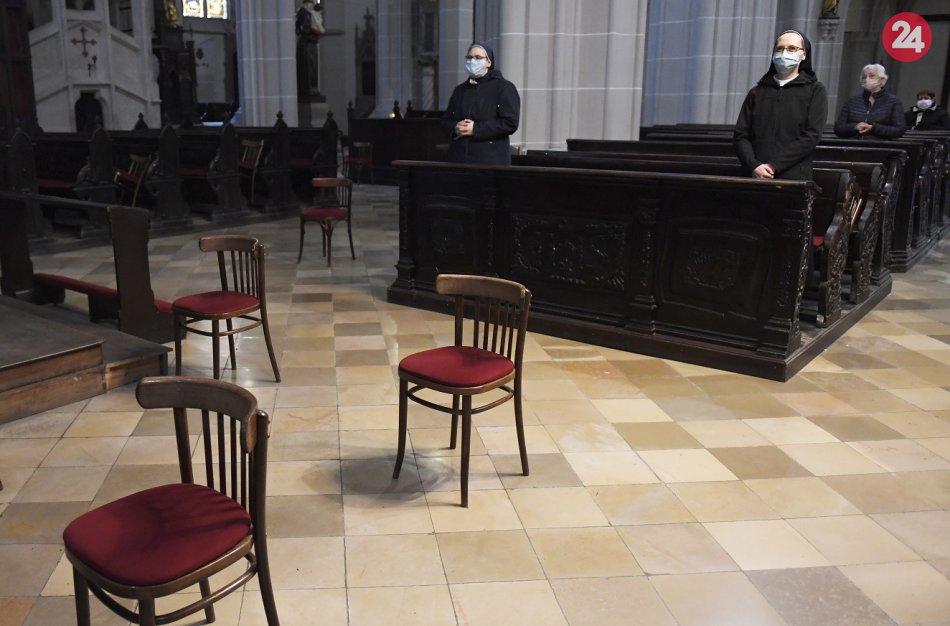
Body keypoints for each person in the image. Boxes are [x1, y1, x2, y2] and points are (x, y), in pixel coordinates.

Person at [734, 30, 827, 181]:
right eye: (779, 48)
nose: (784, 53)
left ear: (804, 54)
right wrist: (754, 165)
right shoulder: (757, 92)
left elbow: (812, 135)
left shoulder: (815, 90)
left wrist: (773, 166)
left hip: (794, 175)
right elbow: (741, 135)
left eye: (792, 48)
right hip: (754, 174)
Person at [443, 42, 521, 165]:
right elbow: (445, 120)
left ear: (488, 62)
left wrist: (475, 129)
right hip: (459, 158)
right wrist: (455, 127)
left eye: (478, 57)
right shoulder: (460, 90)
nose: (472, 61)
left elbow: (510, 123)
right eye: (469, 57)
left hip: (490, 160)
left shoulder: (504, 88)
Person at [833, 64, 906, 139]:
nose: (867, 79)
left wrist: (873, 128)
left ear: (882, 80)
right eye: (865, 76)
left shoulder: (893, 102)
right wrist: (855, 127)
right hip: (853, 143)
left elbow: (899, 130)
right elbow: (838, 128)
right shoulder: (852, 101)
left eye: (872, 76)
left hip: (880, 144)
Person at [295, 0, 325, 98]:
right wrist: (316, 37)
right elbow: (304, 30)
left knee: (312, 67)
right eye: (311, 5)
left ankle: (312, 87)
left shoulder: (307, 14)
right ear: (306, 5)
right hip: (306, 45)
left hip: (309, 44)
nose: (312, 7)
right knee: (308, 67)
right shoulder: (304, 14)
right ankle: (308, 88)